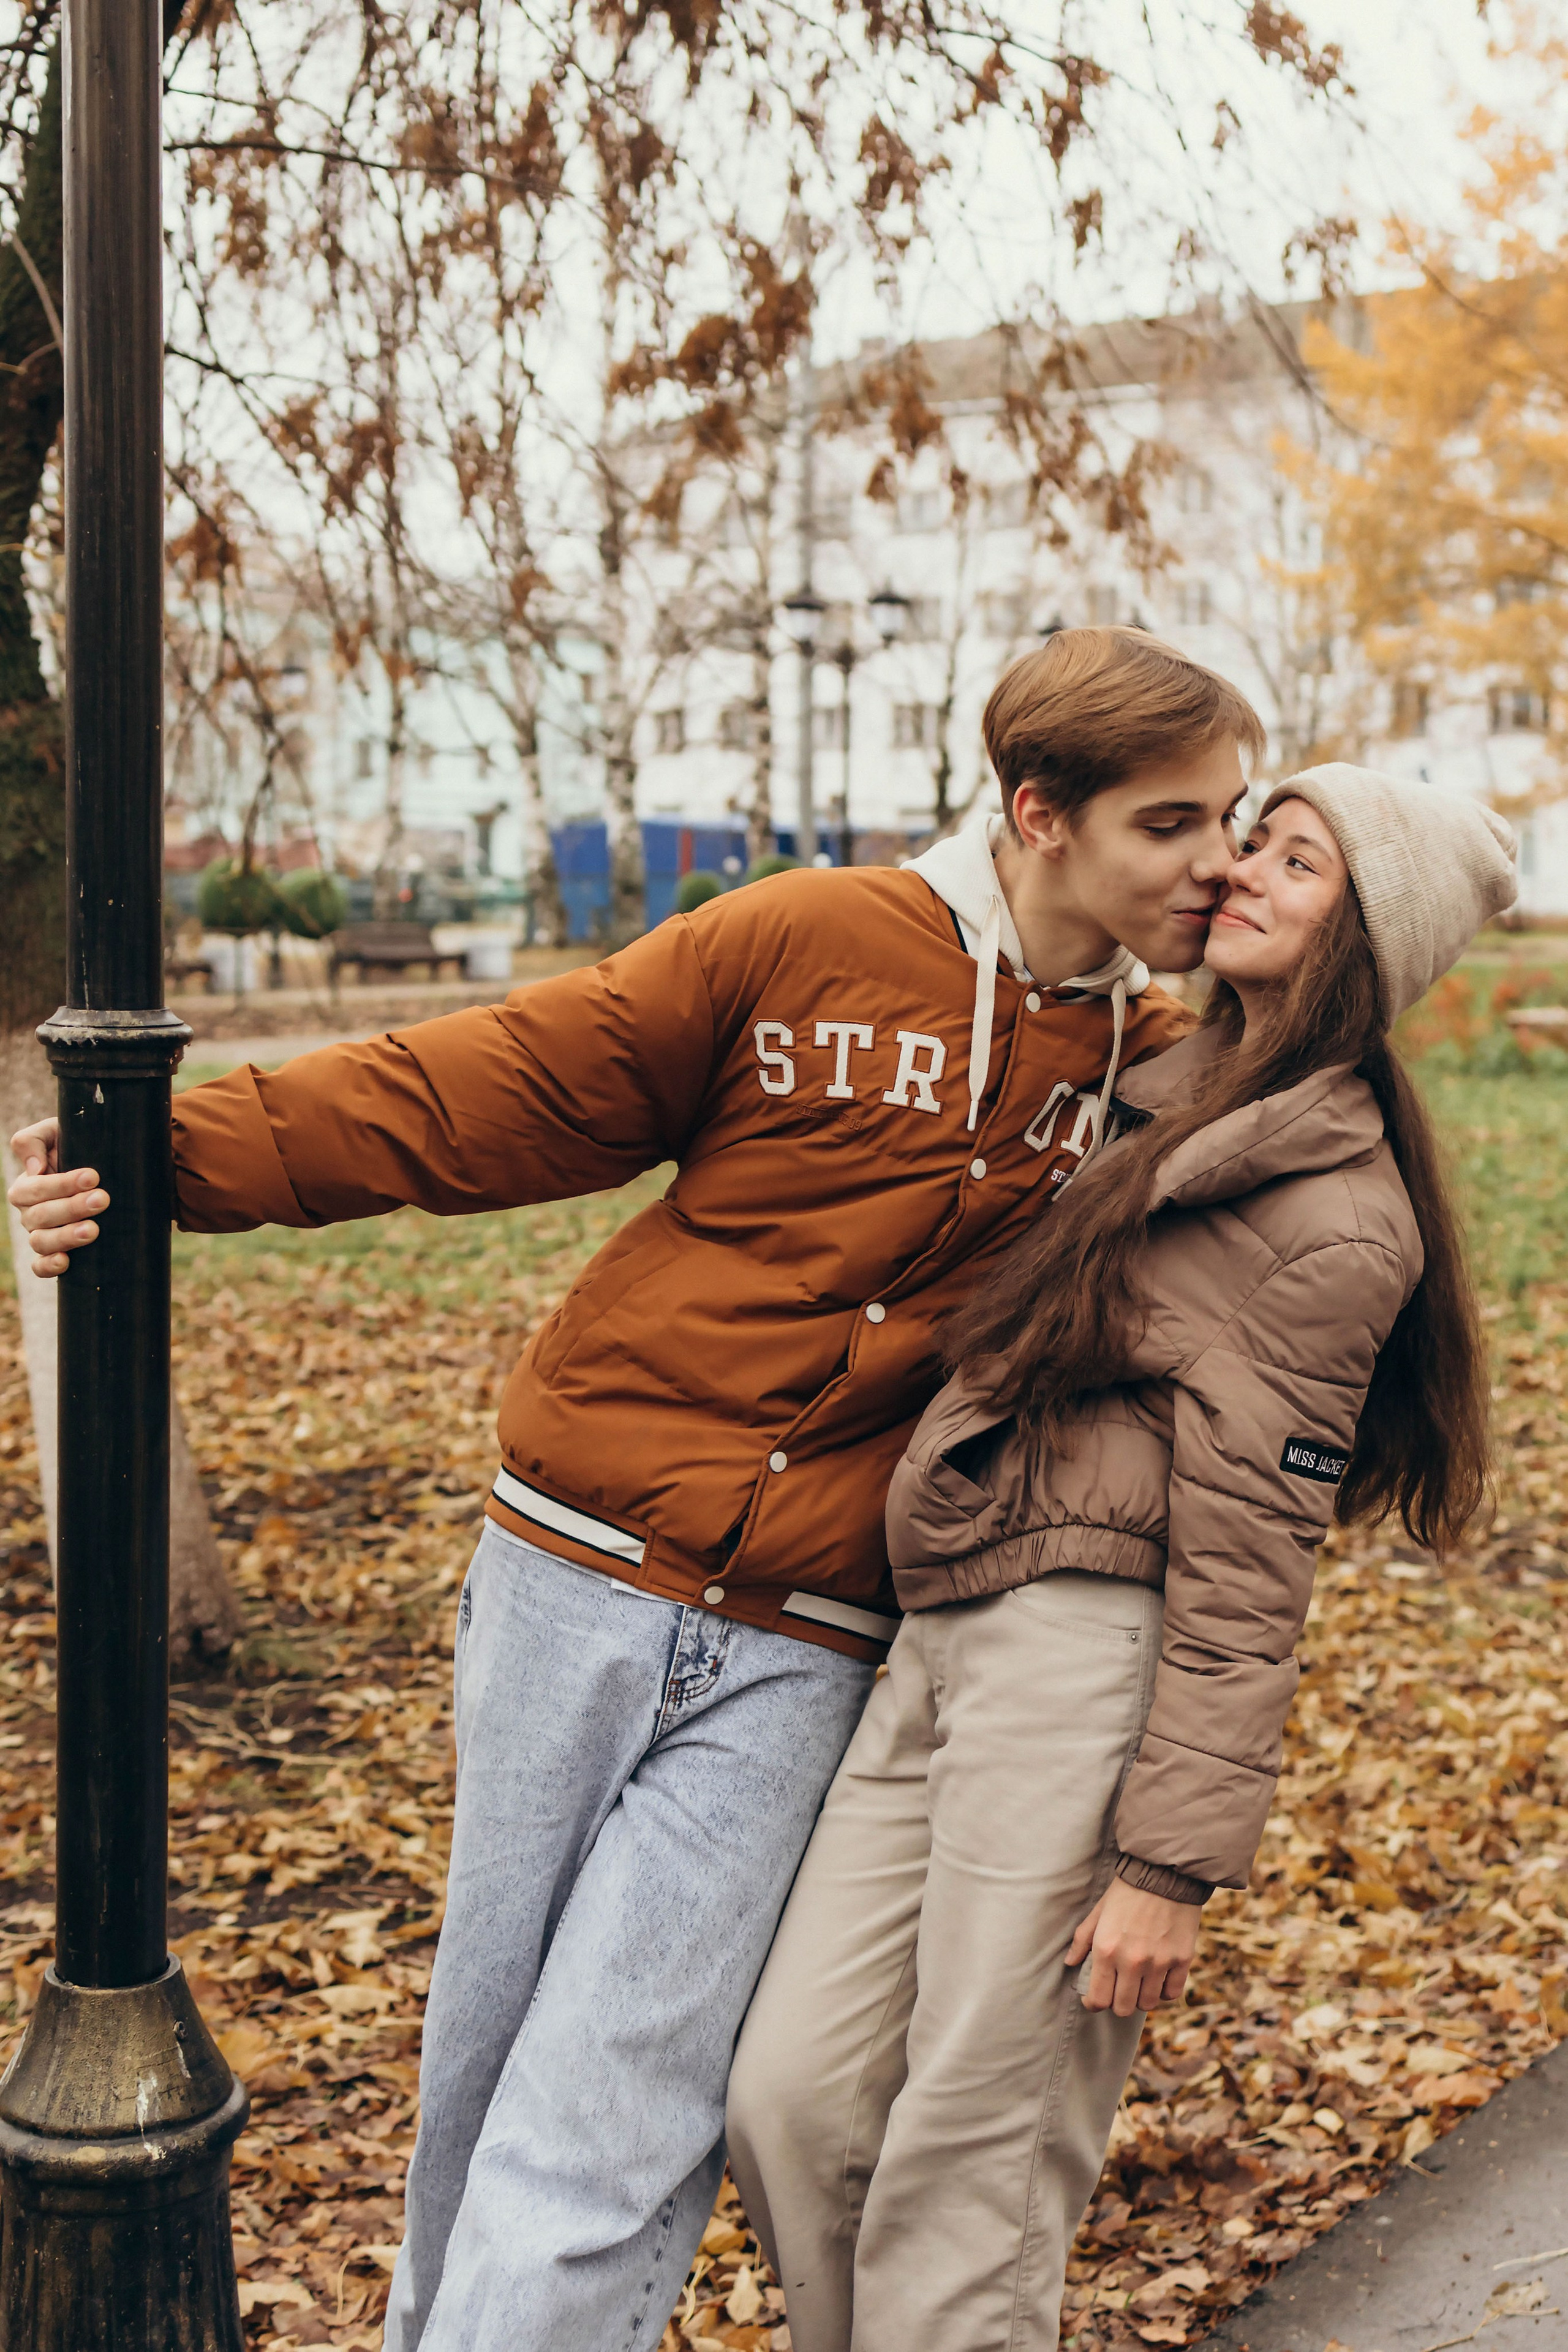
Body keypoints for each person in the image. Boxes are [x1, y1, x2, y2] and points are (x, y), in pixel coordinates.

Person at [11, 627, 1259, 2352]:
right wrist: (157, 1160)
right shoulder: (809, 938)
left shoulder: (1153, 1068)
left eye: (1233, 820)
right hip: (573, 1564)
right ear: (1043, 816)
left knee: (622, 2102)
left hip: (812, 1642)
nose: (1216, 862)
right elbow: (498, 1086)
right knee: (488, 2055)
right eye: (1174, 825)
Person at [726, 763, 1515, 2352]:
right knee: (791, 2096)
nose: (1240, 873)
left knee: (974, 2161)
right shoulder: (1159, 1096)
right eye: (1250, 841)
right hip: (944, 1642)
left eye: (1295, 863)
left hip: (1090, 1668)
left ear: (1366, 938)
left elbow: (1251, 1567)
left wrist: (1165, 1867)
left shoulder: (1340, 1216)